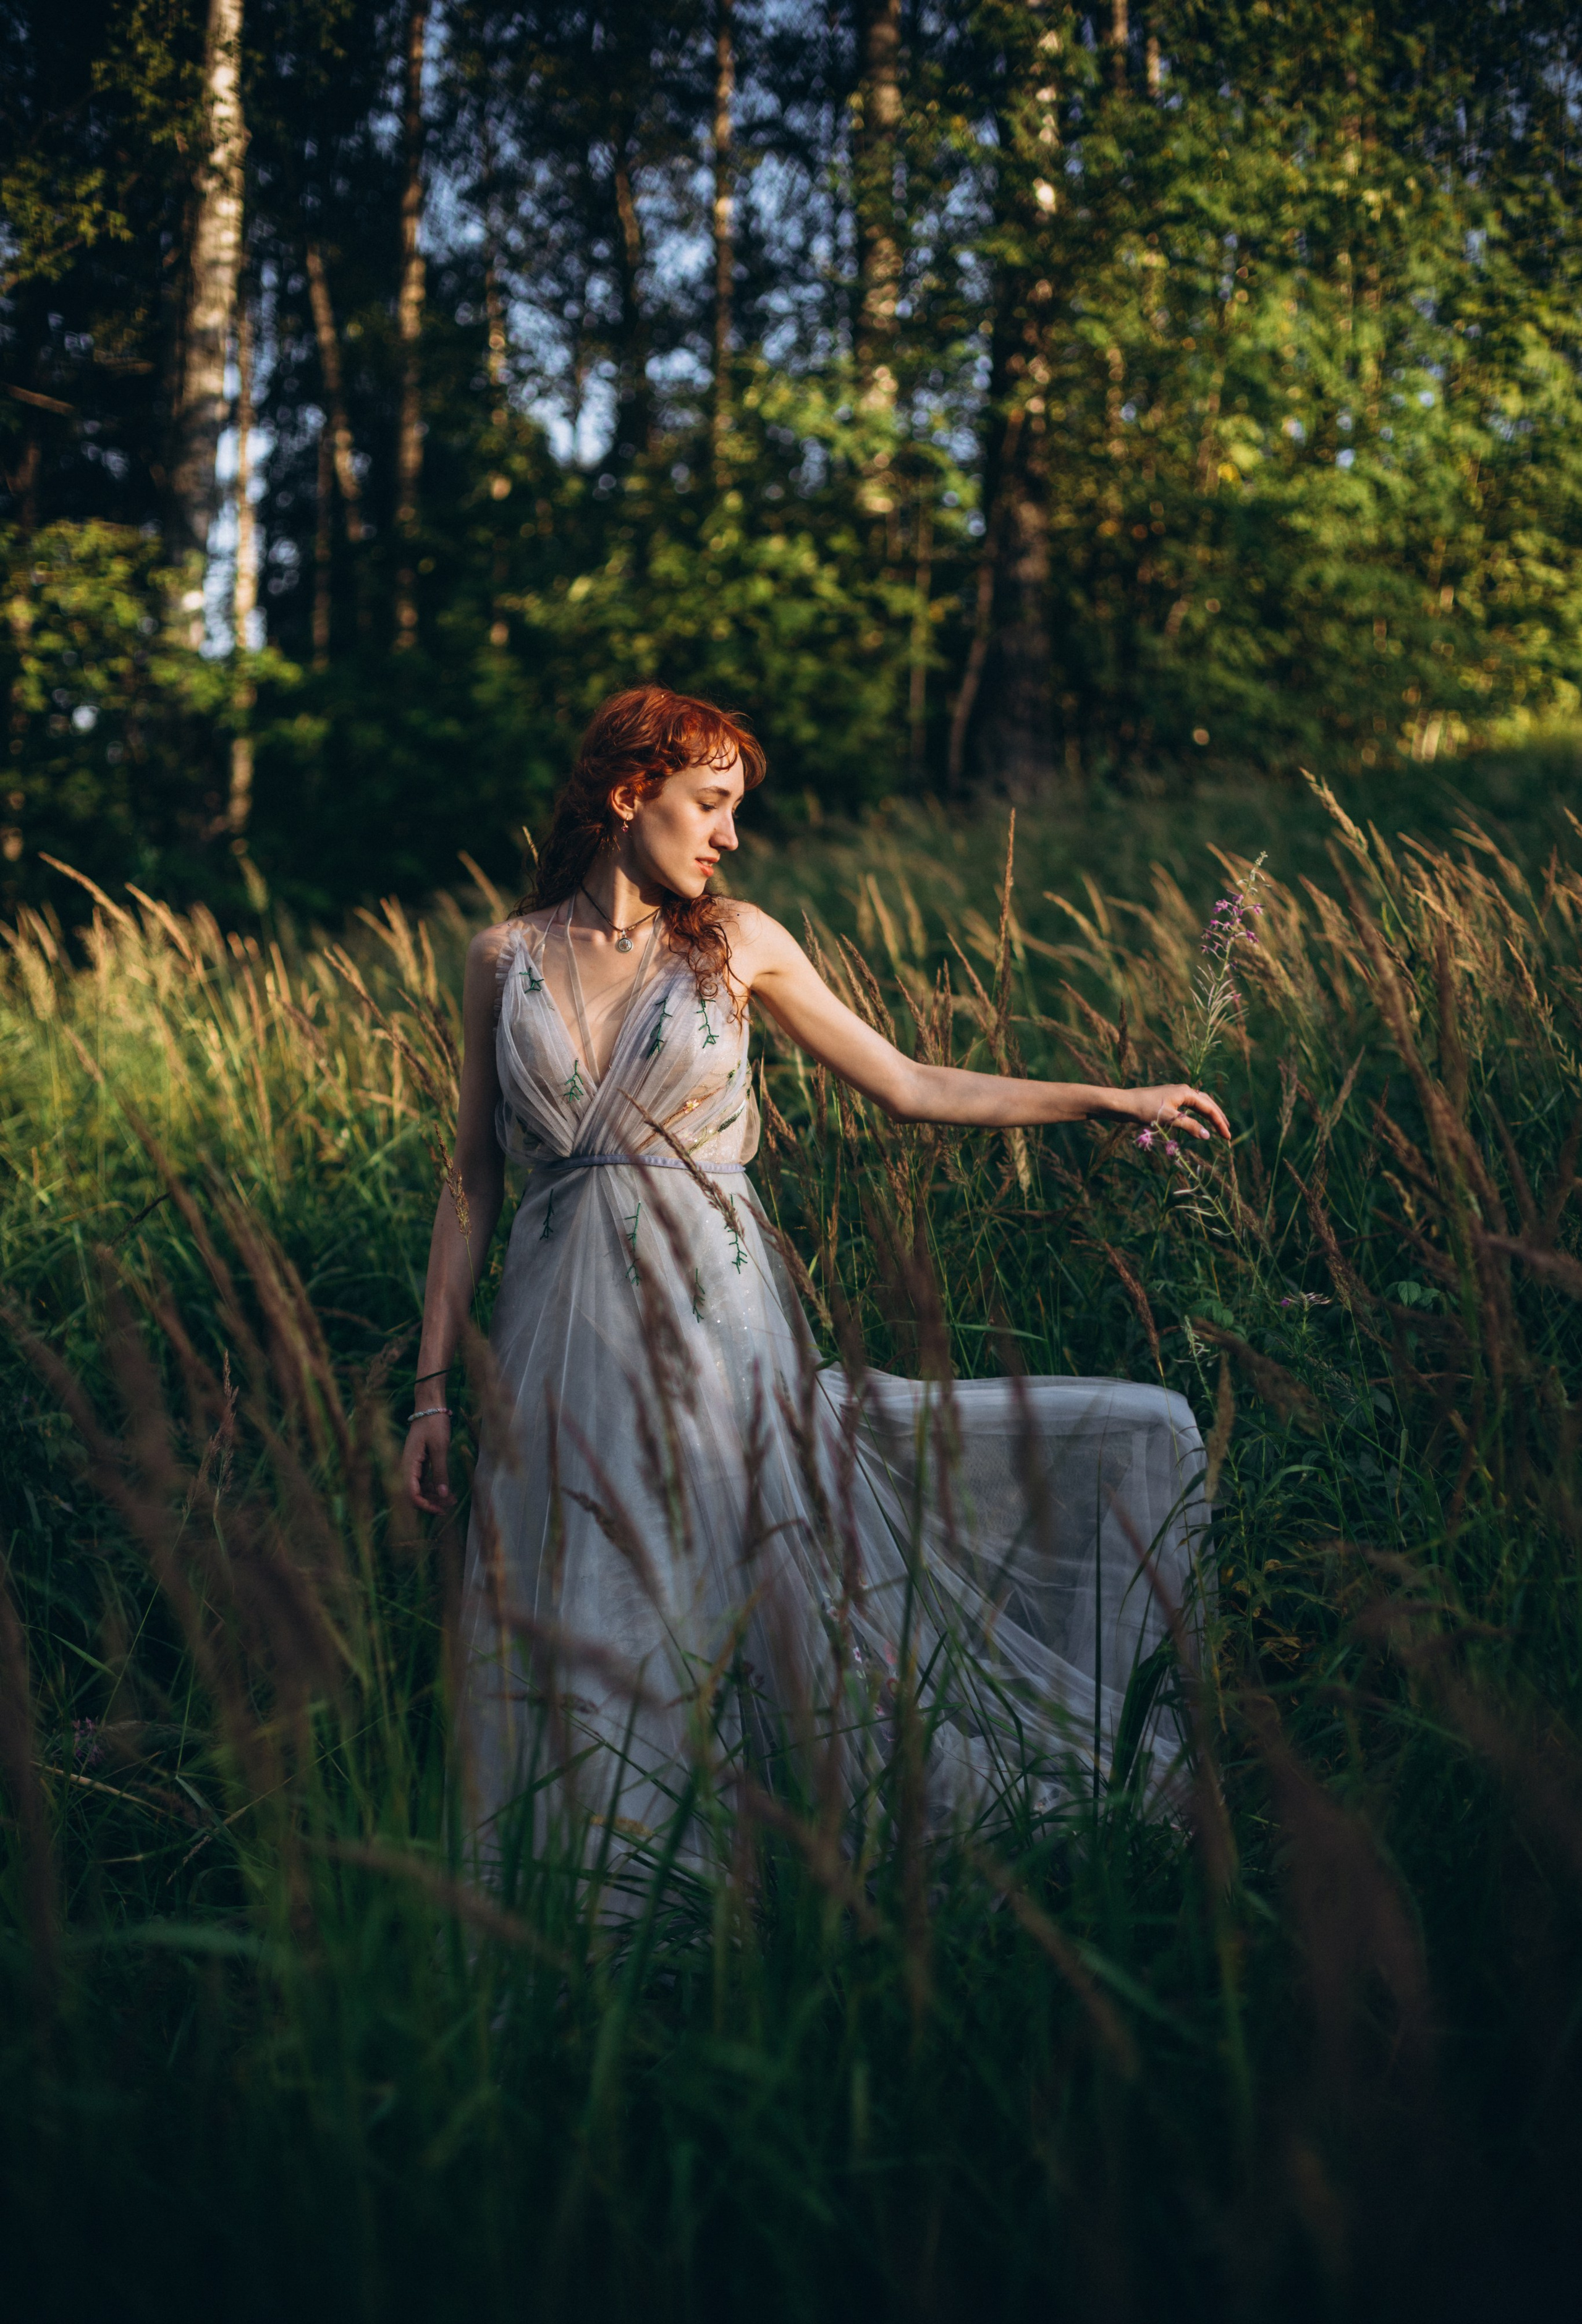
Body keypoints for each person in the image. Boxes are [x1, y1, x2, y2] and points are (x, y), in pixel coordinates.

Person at [401, 686, 1229, 1882]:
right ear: (630, 794)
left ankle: (766, 1860)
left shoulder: (738, 940)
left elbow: (905, 1083)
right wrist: (431, 1390)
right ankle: (612, 1888)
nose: (729, 836)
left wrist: (1106, 1098)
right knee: (582, 1599)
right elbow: (472, 1180)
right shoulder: (503, 960)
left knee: (733, 1579)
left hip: (714, 1325)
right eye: (711, 805)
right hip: (553, 1341)